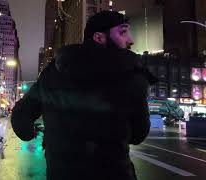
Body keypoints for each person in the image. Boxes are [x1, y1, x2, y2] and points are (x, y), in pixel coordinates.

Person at [11, 10, 157, 180]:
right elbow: (139, 134)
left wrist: (33, 133)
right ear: (99, 37)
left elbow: (21, 116)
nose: (130, 40)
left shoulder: (54, 71)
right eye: (123, 32)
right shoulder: (132, 76)